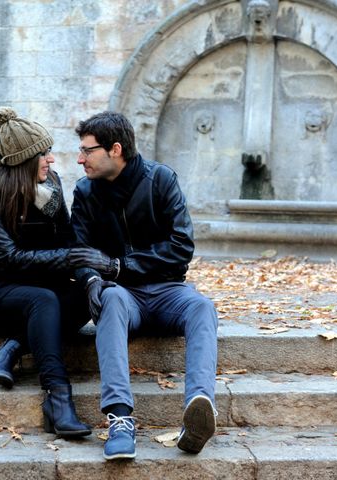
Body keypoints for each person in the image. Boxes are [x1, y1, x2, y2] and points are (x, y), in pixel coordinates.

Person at [68, 111, 219, 458]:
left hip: (168, 291)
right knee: (112, 300)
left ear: (115, 149)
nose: (80, 158)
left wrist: (119, 266)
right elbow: (79, 250)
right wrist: (92, 279)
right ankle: (120, 420)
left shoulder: (161, 180)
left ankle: (199, 411)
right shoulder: (86, 191)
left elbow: (181, 247)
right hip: (124, 297)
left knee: (202, 306)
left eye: (87, 151)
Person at [0, 107, 118, 438]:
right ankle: (57, 400)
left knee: (92, 292)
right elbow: (8, 257)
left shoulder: (52, 184)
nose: (51, 160)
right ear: (23, 160)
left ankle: (14, 347)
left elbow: (68, 239)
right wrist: (67, 258)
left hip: (42, 293)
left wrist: (89, 274)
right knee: (44, 300)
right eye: (43, 154)